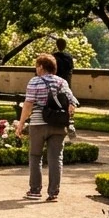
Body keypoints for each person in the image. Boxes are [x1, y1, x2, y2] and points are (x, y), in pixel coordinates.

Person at [16, 53, 77, 202]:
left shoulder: (35, 81)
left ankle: (35, 190)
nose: (36, 69)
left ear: (41, 67)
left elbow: (28, 104)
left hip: (38, 123)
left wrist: (21, 123)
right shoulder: (62, 82)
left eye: (37, 66)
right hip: (58, 124)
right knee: (56, 158)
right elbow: (72, 103)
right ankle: (53, 192)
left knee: (35, 156)